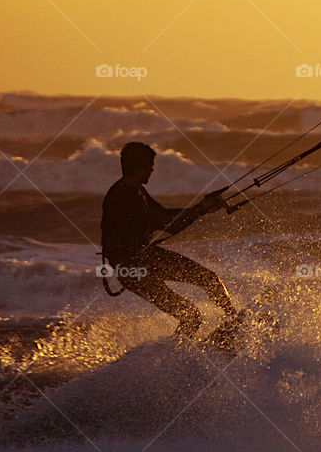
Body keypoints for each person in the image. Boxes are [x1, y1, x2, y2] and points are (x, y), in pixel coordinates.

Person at [101, 142, 239, 338]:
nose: (152, 170)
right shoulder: (123, 197)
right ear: (139, 166)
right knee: (195, 306)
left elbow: (164, 215)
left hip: (141, 262)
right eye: (150, 166)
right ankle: (231, 325)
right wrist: (201, 209)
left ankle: (231, 323)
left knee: (200, 297)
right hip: (136, 268)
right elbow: (169, 224)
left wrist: (201, 206)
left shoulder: (134, 190)